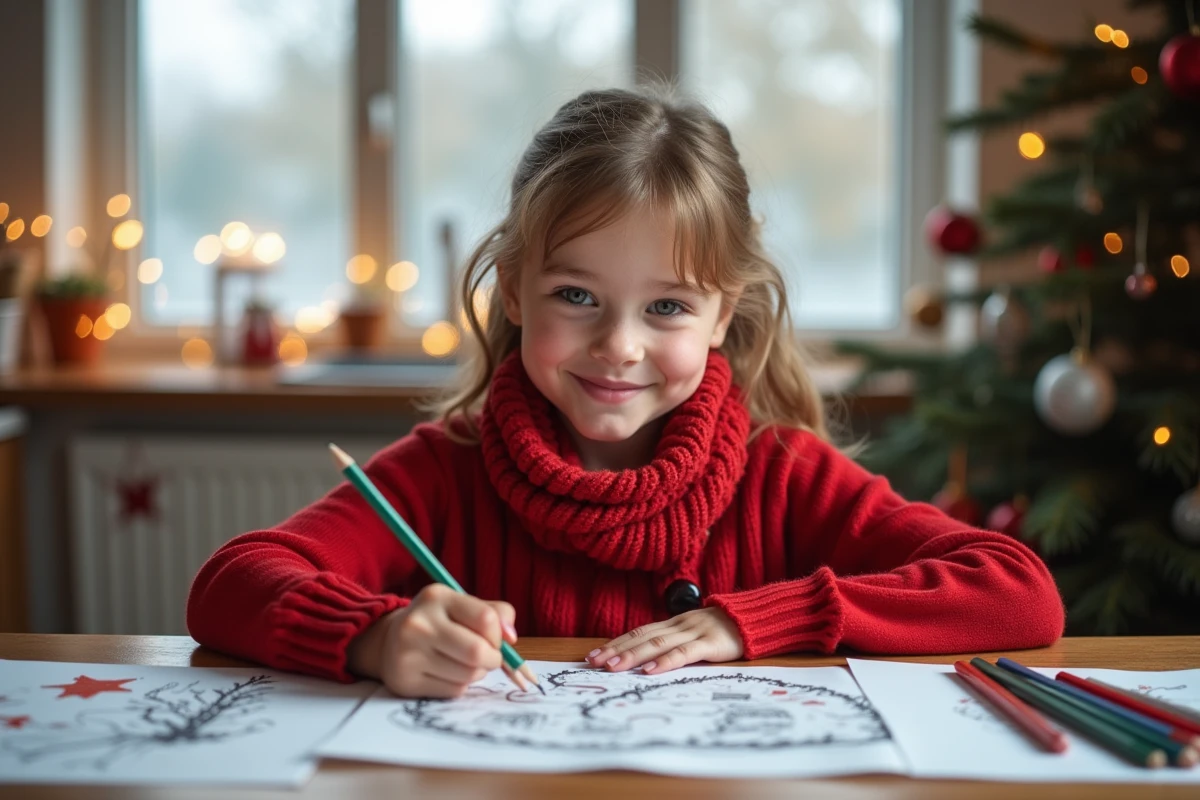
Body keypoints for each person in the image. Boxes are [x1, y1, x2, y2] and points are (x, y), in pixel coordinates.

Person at [187, 86, 1064, 699]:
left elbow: (1016, 588)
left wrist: (763, 618)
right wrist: (376, 637)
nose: (619, 346)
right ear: (517, 291)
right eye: (576, 296)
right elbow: (230, 583)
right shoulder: (442, 471)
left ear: (725, 314)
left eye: (669, 307)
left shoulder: (782, 473)